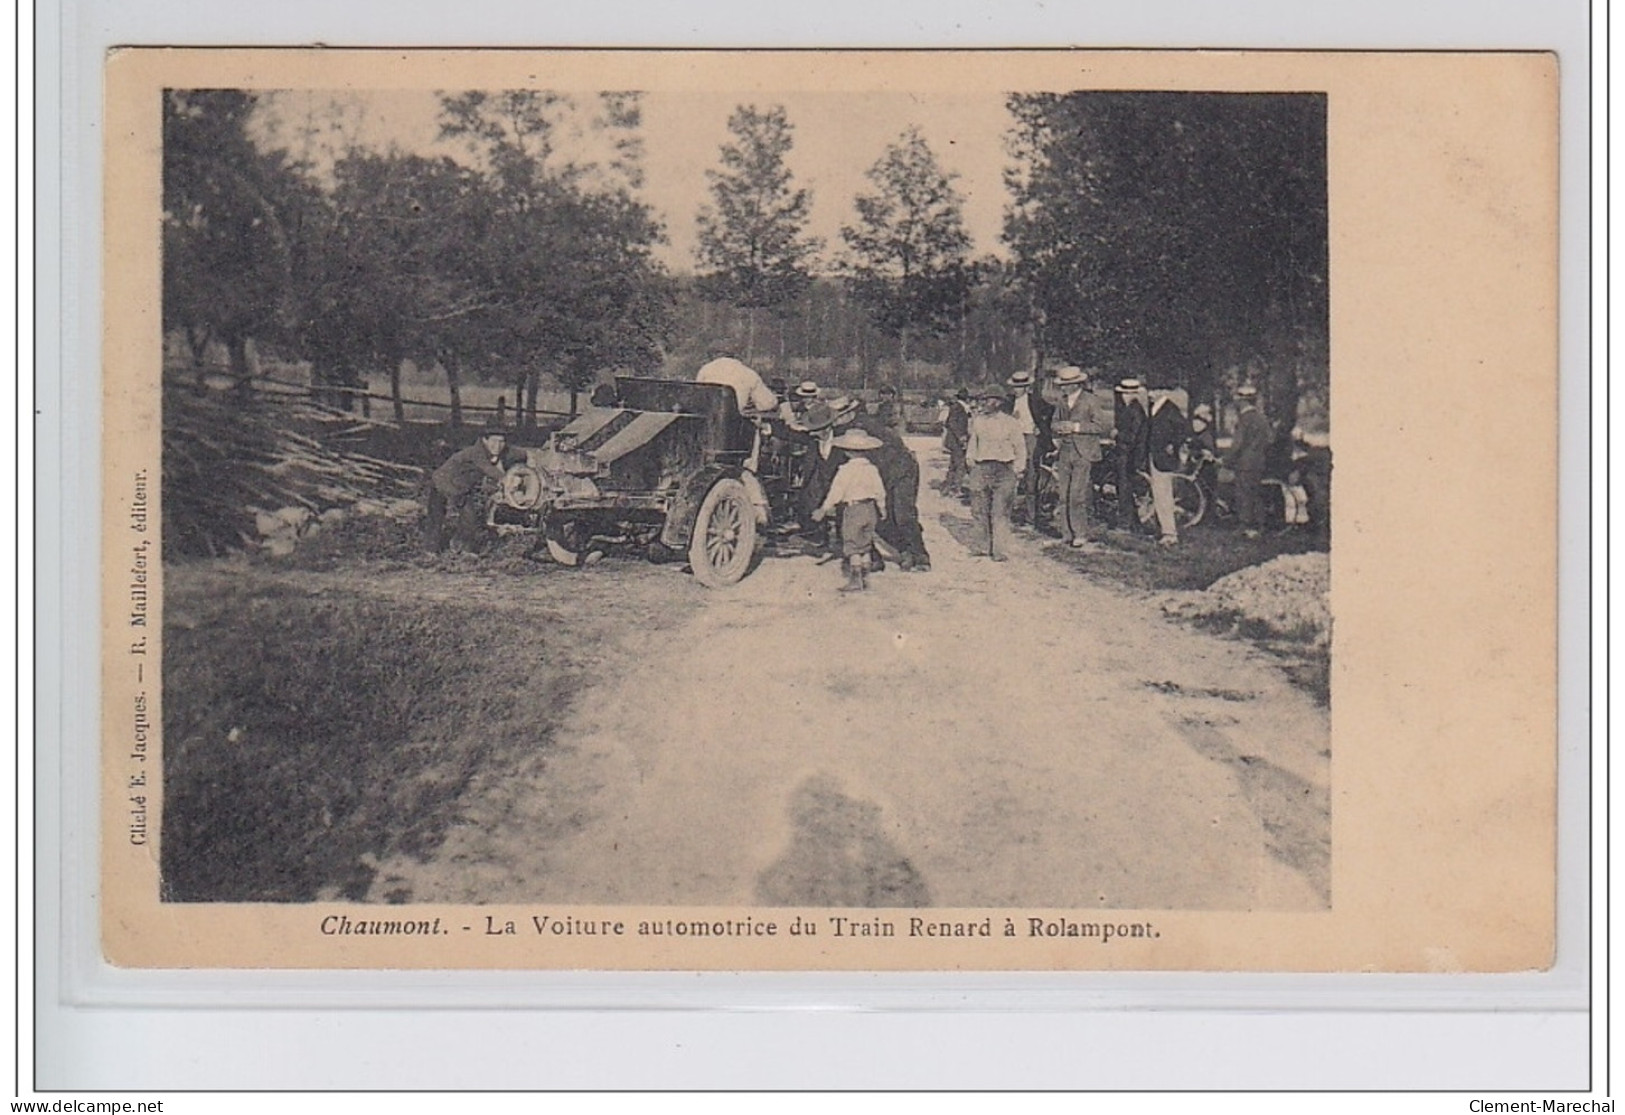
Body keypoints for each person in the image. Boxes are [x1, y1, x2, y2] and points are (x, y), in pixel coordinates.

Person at [1047, 366, 1113, 549]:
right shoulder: (1062, 401)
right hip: (1065, 451)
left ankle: (1080, 534)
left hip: (1083, 452)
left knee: (1077, 495)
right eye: (1063, 385)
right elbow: (1053, 423)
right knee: (1063, 494)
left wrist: (1075, 427)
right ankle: (1066, 534)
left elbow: (1100, 427)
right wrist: (1059, 428)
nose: (1064, 388)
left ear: (1077, 384)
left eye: (1068, 385)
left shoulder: (1091, 400)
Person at [813, 429, 887, 592]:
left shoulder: (845, 470)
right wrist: (882, 508)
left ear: (847, 451)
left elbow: (836, 493)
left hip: (853, 510)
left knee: (853, 546)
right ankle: (866, 578)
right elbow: (880, 491)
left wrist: (823, 509)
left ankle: (855, 580)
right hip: (870, 509)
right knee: (865, 545)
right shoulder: (872, 469)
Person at [964, 385, 1027, 562]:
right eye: (982, 400)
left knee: (1000, 511)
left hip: (1004, 469)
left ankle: (999, 550)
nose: (983, 403)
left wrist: (1018, 469)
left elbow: (1020, 448)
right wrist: (971, 462)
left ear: (998, 402)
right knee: (979, 509)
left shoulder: (1011, 423)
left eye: (987, 399)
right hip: (981, 467)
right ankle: (982, 546)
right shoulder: (977, 421)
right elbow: (972, 443)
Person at [425, 427, 509, 554]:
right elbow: (488, 469)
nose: (498, 445)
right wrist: (509, 479)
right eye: (494, 441)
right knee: (436, 518)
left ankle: (464, 549)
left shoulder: (493, 453)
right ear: (484, 440)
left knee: (470, 519)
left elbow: (519, 453)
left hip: (461, 488)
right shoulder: (477, 452)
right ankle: (431, 550)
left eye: (501, 442)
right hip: (441, 482)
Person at [869, 421, 931, 572]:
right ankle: (904, 551)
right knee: (879, 518)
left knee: (903, 515)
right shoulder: (838, 434)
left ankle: (920, 556)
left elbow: (898, 453)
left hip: (901, 471)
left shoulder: (871, 426)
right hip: (877, 474)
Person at [1227, 384, 1274, 538]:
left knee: (1243, 494)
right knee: (1255, 493)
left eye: (1238, 398)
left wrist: (1226, 459)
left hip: (1245, 462)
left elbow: (1237, 444)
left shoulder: (1244, 419)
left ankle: (1245, 526)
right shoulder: (1262, 418)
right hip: (1260, 461)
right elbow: (1269, 439)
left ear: (1243, 401)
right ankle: (1261, 526)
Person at [1147, 388, 1190, 546]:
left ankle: (1170, 533)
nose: (1150, 394)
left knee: (1164, 494)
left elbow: (1183, 430)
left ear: (1162, 392)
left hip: (1164, 459)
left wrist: (1173, 445)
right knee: (1158, 495)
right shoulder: (1155, 407)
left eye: (1153, 391)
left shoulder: (1170, 409)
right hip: (1155, 456)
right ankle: (1162, 530)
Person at [1112, 377, 1150, 531]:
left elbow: (1132, 437)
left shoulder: (1134, 411)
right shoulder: (1131, 408)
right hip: (1129, 454)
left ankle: (1125, 524)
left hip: (1130, 456)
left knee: (1125, 489)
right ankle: (1133, 523)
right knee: (1125, 489)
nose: (1123, 396)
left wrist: (1117, 434)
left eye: (1125, 394)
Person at [695, 354, 778, 414]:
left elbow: (698, 397)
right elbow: (768, 404)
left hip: (707, 425)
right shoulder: (748, 373)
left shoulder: (705, 370)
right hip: (735, 427)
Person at [942, 386, 972, 498]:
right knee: (960, 465)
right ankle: (955, 489)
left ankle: (947, 488)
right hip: (957, 441)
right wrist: (961, 437)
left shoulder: (958, 407)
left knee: (954, 465)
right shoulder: (958, 407)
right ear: (966, 398)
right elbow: (952, 423)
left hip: (954, 441)